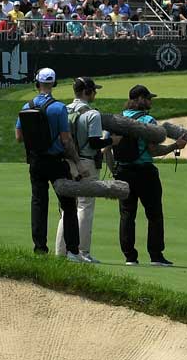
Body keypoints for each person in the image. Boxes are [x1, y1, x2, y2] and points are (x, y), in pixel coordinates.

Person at [16, 67, 87, 259]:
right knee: (68, 205)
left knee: (38, 204)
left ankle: (40, 249)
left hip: (36, 162)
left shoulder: (26, 106)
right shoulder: (59, 108)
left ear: (37, 83)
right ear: (53, 84)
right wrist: (78, 163)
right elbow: (66, 140)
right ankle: (72, 251)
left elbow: (18, 137)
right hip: (56, 162)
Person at [110, 83, 182, 266]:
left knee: (127, 214)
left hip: (122, 171)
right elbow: (153, 150)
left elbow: (107, 148)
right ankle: (156, 256)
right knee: (154, 214)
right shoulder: (148, 121)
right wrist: (175, 146)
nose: (150, 101)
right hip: (144, 173)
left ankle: (130, 257)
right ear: (140, 99)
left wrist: (113, 170)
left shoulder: (117, 120)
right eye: (148, 98)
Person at [56, 77, 110, 262]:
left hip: (66, 161)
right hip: (86, 162)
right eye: (94, 90)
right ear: (87, 92)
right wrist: (112, 141)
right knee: (85, 206)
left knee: (67, 208)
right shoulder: (93, 114)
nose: (95, 93)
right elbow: (95, 142)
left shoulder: (64, 109)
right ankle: (82, 252)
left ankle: (61, 251)